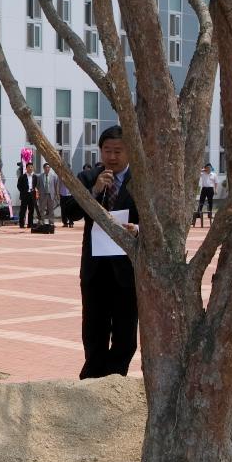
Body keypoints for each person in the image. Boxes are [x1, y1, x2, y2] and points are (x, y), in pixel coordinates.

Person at [61, 126, 140, 378]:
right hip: (95, 272)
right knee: (94, 331)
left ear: (129, 152)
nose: (112, 157)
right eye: (108, 151)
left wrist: (137, 229)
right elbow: (69, 212)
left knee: (125, 335)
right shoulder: (88, 178)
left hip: (127, 272)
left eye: (118, 151)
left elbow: (158, 220)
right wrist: (93, 191)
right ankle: (92, 381)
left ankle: (115, 379)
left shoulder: (140, 180)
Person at [16, 161, 37, 228]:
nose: (30, 168)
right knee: (23, 210)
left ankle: (30, 224)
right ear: (26, 168)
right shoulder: (22, 177)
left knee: (31, 210)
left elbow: (35, 185)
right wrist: (23, 191)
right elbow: (19, 186)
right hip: (25, 195)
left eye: (31, 167)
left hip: (32, 195)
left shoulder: (35, 177)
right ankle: (21, 224)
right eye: (29, 167)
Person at [58, 159, 76, 228]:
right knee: (63, 209)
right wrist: (58, 193)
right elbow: (59, 184)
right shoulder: (60, 175)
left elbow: (74, 185)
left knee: (70, 209)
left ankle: (71, 222)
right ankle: (65, 222)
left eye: (67, 167)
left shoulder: (72, 176)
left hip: (70, 195)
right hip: (62, 194)